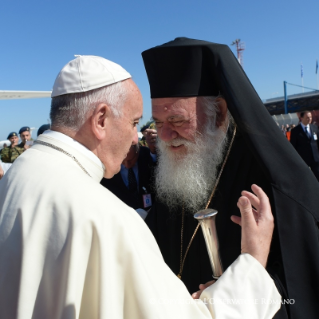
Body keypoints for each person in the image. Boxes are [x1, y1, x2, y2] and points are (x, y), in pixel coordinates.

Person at [0, 55, 281, 319]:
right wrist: (253, 264)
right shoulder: (106, 217)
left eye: (177, 121)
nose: (139, 137)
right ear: (100, 120)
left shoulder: (22, 172)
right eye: (136, 122)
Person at [141, 37, 319, 319]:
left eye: (177, 121)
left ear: (219, 113)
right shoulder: (172, 175)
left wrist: (236, 297)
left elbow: (304, 295)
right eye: (158, 123)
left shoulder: (275, 183)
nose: (164, 136)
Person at [101, 142, 155, 214]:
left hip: (149, 213)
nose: (127, 165)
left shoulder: (147, 155)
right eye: (122, 161)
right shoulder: (107, 166)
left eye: (131, 160)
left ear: (137, 151)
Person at [290, 111, 319, 181]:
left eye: (311, 117)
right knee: (307, 179)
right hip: (304, 160)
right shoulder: (295, 131)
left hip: (316, 159)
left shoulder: (315, 128)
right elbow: (293, 146)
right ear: (301, 118)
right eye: (307, 117)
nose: (310, 119)